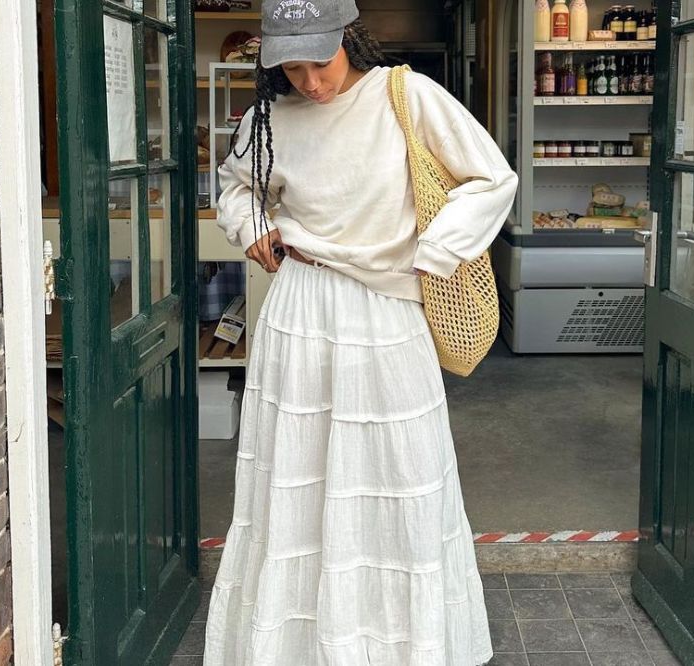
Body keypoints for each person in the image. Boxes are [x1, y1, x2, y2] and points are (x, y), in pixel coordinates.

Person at [204, 0, 518, 663]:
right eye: (291, 70)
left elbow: (491, 178)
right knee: (298, 474)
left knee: (401, 472)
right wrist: (249, 225)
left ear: (348, 39)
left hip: (387, 311)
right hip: (300, 305)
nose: (310, 83)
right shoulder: (267, 119)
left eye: (319, 62)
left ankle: (400, 646)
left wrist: (437, 252)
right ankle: (295, 644)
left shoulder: (406, 95)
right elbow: (234, 187)